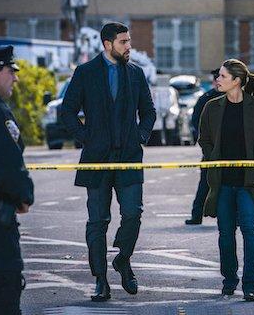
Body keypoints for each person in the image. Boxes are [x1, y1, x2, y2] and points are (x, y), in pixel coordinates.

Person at [61, 22, 156, 302]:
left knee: (133, 214)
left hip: (128, 157)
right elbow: (67, 112)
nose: (129, 46)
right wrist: (86, 138)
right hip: (97, 158)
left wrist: (140, 136)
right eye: (123, 42)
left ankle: (123, 259)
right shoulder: (86, 72)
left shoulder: (136, 73)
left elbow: (148, 111)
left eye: (129, 41)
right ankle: (100, 280)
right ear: (107, 44)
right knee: (98, 221)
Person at [198, 59, 254, 302]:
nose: (217, 80)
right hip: (222, 183)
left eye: (222, 76)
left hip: (248, 184)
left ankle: (250, 284)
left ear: (237, 81)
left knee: (251, 232)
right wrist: (212, 158)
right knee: (225, 234)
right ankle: (229, 280)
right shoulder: (212, 107)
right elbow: (205, 138)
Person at [0, 46, 34, 314]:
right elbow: (9, 164)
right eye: (10, 71)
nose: (15, 78)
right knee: (2, 296)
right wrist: (23, 196)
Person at [185, 68, 223, 225]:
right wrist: (205, 142)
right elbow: (196, 122)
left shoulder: (233, 98)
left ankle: (228, 217)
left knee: (228, 186)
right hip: (211, 148)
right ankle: (197, 215)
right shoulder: (206, 99)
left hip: (227, 148)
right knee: (205, 182)